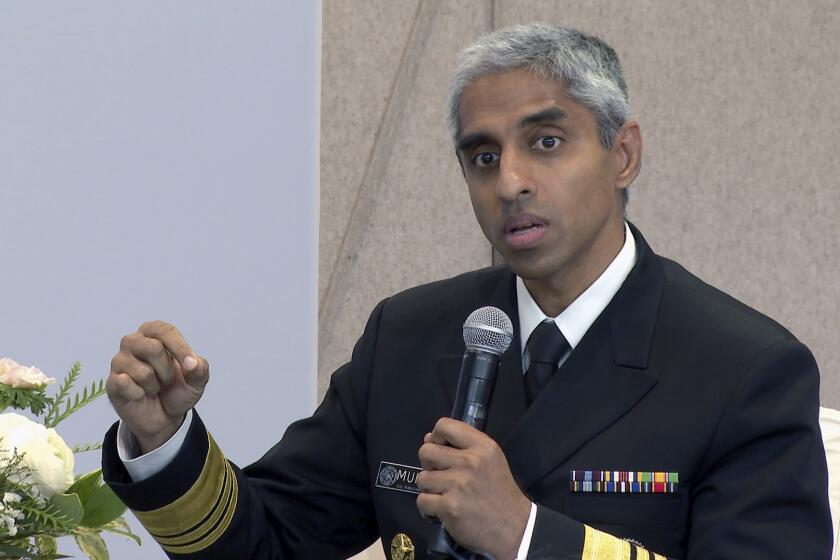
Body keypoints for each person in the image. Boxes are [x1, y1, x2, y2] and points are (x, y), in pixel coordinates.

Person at [102, 23, 832, 559]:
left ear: (623, 154)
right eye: (482, 156)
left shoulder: (743, 369)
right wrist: (164, 442)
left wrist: (525, 536)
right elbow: (269, 544)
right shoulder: (411, 336)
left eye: (545, 142)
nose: (509, 181)